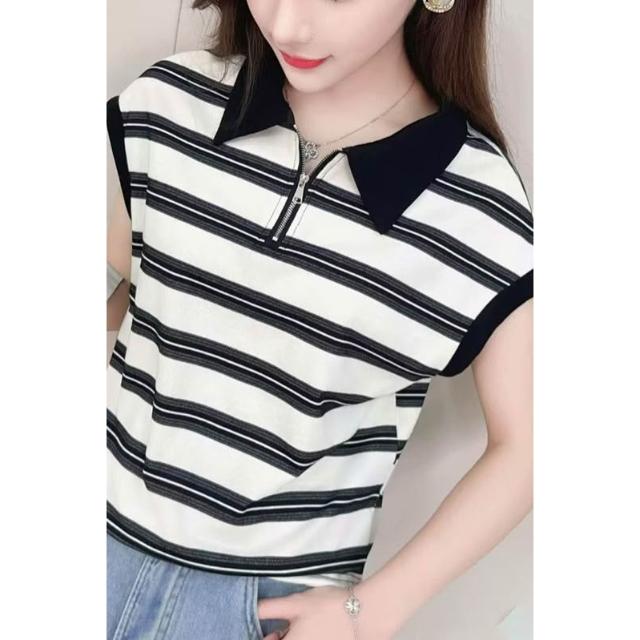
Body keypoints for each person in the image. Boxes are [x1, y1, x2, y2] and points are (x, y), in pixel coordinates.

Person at [106, 0, 533, 638]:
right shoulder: (168, 105)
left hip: (266, 610)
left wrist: (370, 613)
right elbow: (125, 298)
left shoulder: (477, 211)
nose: (287, 25)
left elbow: (529, 446)